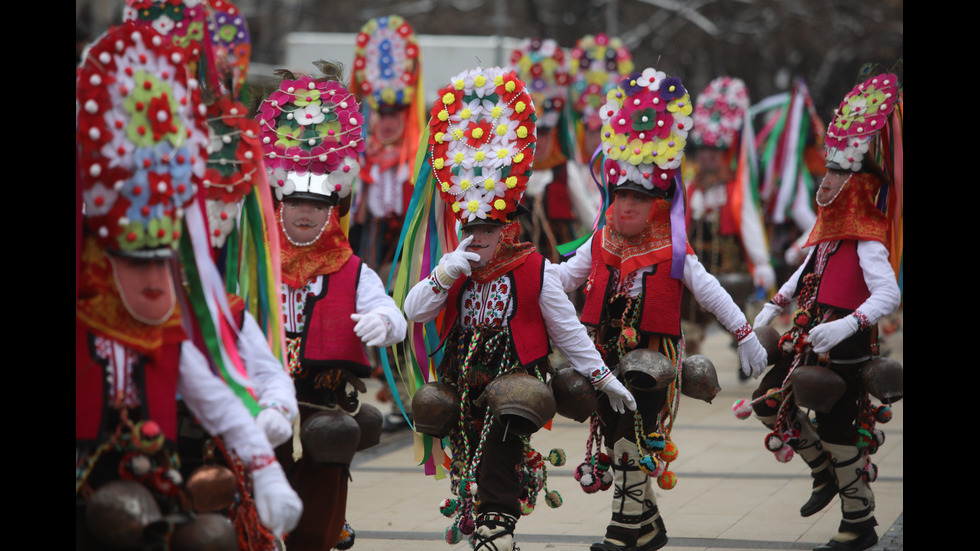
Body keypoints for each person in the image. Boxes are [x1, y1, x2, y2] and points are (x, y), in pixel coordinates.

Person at [76, 22, 301, 548]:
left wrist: (266, 455)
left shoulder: (194, 318)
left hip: (163, 475)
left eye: (164, 263)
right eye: (138, 264)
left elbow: (224, 392)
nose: (156, 282)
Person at [399, 66, 636, 551]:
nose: (478, 238)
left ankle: (496, 533)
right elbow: (414, 311)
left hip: (516, 385)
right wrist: (446, 272)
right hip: (463, 383)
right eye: (472, 229)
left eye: (488, 230)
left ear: (508, 227)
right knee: (470, 457)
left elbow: (568, 333)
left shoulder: (535, 271)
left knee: (499, 451)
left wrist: (603, 378)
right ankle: (490, 522)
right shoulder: (456, 267)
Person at [550, 68, 769, 551]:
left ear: (658, 202)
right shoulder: (599, 238)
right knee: (617, 438)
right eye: (621, 195)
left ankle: (625, 531)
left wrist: (744, 331)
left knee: (633, 437)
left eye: (638, 198)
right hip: (601, 358)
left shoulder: (673, 247)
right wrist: (516, 278)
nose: (626, 206)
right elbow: (562, 279)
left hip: (653, 361)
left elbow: (708, 290)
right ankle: (648, 525)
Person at [255, 63, 407, 551]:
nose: (304, 213)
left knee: (333, 436)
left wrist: (384, 320)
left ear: (334, 210)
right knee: (262, 450)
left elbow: (387, 306)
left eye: (317, 206)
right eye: (295, 204)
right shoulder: (256, 262)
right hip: (263, 391)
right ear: (278, 204)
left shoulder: (351, 267)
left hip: (323, 394)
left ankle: (317, 537)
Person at [749, 70, 902, 551]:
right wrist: (771, 306)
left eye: (837, 173)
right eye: (828, 171)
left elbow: (888, 296)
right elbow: (805, 272)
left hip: (846, 344)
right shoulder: (830, 230)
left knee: (838, 427)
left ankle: (858, 523)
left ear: (857, 184)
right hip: (805, 332)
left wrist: (847, 326)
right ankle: (823, 472)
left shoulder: (868, 237)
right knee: (767, 400)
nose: (827, 180)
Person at [684, 76, 775, 359]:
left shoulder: (734, 190)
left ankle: (747, 348)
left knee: (731, 316)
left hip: (728, 270)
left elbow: (749, 225)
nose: (707, 158)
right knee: (689, 319)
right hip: (696, 268)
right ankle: (689, 364)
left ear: (724, 154)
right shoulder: (690, 188)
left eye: (714, 152)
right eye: (703, 152)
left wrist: (761, 263)